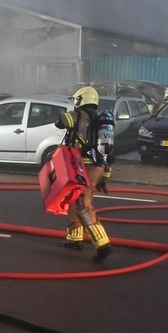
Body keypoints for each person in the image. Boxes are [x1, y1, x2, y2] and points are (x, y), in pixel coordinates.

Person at [55, 85, 113, 263]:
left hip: (83, 167)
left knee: (82, 204)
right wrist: (103, 178)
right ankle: (74, 237)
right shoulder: (100, 120)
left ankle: (103, 244)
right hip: (97, 167)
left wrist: (69, 112)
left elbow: (60, 121)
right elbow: (106, 154)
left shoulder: (78, 115)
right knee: (74, 198)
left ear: (81, 99)